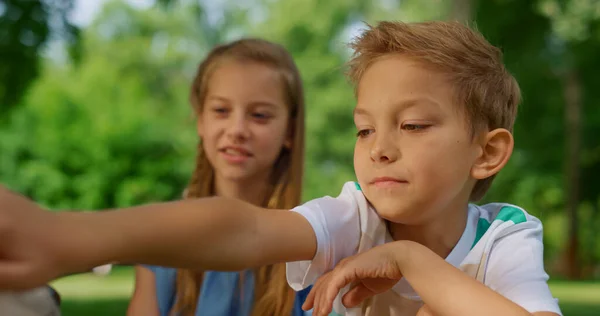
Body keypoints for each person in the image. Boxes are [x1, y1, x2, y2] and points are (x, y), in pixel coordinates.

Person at [0, 21, 562, 316]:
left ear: (486, 152)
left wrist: (409, 259)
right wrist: (72, 235)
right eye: (364, 128)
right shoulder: (354, 220)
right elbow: (242, 228)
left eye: (413, 126)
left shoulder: (503, 238)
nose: (379, 148)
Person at [125, 38, 310, 316]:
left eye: (259, 115)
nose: (237, 129)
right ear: (200, 119)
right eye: (221, 110)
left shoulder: (314, 248)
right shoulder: (160, 244)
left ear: (289, 132)